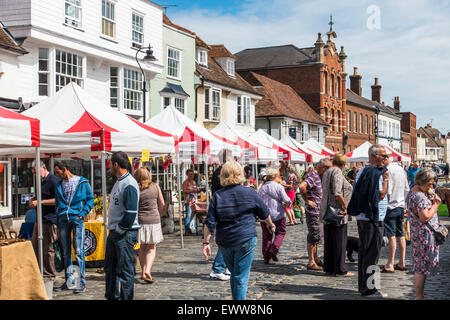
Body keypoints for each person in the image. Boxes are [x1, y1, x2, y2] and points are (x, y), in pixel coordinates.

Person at [203, 161, 275, 300]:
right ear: (240, 175)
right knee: (240, 276)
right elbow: (264, 213)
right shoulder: (249, 192)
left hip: (225, 241)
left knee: (236, 274)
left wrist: (206, 243)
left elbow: (210, 221)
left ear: (222, 176)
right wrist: (271, 225)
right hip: (245, 238)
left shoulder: (218, 195)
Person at [348, 144, 389, 298]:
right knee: (373, 253)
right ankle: (370, 288)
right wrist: (386, 180)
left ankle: (363, 286)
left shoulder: (363, 171)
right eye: (383, 156)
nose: (386, 159)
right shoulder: (376, 173)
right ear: (374, 156)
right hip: (372, 218)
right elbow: (380, 194)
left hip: (365, 217)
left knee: (365, 252)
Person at [53, 161, 94, 294]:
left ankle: (81, 282)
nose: (56, 175)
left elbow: (90, 199)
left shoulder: (82, 182)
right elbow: (58, 204)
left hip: (77, 219)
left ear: (64, 169)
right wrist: (58, 222)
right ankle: (70, 281)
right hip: (63, 220)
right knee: (66, 252)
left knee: (78, 251)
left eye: (57, 172)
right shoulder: (59, 184)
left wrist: (82, 214)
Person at [105, 151, 140, 300]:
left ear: (116, 164)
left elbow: (131, 213)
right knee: (110, 269)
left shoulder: (129, 183)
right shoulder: (119, 181)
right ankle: (112, 296)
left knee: (125, 270)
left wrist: (120, 230)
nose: (109, 167)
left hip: (124, 234)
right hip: (115, 232)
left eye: (110, 163)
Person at [405, 168, 441, 300]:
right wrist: (436, 204)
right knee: (421, 267)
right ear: (422, 182)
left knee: (420, 265)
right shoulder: (419, 196)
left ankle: (420, 295)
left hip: (417, 233)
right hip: (423, 235)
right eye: (429, 184)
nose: (431, 186)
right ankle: (419, 296)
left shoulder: (412, 192)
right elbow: (425, 217)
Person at [319, 154, 354, 277]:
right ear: (343, 164)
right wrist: (346, 206)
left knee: (329, 241)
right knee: (340, 241)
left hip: (327, 210)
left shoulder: (327, 172)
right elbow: (337, 192)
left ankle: (329, 267)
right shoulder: (337, 172)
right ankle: (340, 268)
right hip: (337, 212)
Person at [298, 158, 332, 271]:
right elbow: (302, 186)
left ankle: (316, 258)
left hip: (318, 212)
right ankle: (311, 262)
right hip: (314, 212)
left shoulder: (317, 176)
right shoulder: (313, 176)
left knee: (316, 236)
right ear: (323, 168)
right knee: (313, 236)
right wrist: (307, 201)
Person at [134, 168, 164, 284]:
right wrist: (159, 214)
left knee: (142, 248)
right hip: (154, 220)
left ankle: (142, 271)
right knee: (151, 247)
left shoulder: (136, 188)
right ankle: (148, 271)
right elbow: (161, 203)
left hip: (140, 220)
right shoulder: (155, 186)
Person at [30, 161, 59, 280]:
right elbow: (41, 196)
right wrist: (33, 200)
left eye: (37, 172)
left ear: (44, 168)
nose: (36, 175)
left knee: (47, 249)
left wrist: (40, 202)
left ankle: (50, 274)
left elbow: (58, 200)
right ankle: (39, 271)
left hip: (49, 219)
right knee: (35, 246)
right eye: (34, 173)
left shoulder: (53, 180)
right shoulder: (40, 181)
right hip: (39, 219)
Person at [381, 157, 410, 273]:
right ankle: (402, 262)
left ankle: (390, 263)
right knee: (400, 234)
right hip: (400, 205)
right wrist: (405, 205)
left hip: (390, 206)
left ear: (385, 159)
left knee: (391, 235)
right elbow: (407, 189)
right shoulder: (401, 169)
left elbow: (388, 191)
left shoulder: (387, 170)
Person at [257, 168, 292, 264]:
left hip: (265, 216)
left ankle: (266, 257)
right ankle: (274, 248)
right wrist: (289, 204)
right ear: (274, 177)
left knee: (266, 236)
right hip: (278, 214)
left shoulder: (262, 188)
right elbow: (286, 199)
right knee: (280, 232)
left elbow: (258, 201)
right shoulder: (278, 187)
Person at [208, 161, 231, 281]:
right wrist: (205, 241)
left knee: (229, 241)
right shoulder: (220, 174)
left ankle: (226, 267)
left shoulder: (218, 173)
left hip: (222, 209)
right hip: (224, 210)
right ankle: (217, 268)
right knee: (226, 241)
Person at [182, 169, 200, 235]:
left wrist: (197, 190)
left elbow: (195, 190)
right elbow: (184, 191)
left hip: (194, 200)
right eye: (190, 175)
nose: (191, 176)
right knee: (189, 215)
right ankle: (187, 230)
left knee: (194, 215)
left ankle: (194, 228)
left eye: (192, 174)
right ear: (187, 175)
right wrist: (192, 191)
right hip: (188, 200)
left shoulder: (194, 182)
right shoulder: (185, 182)